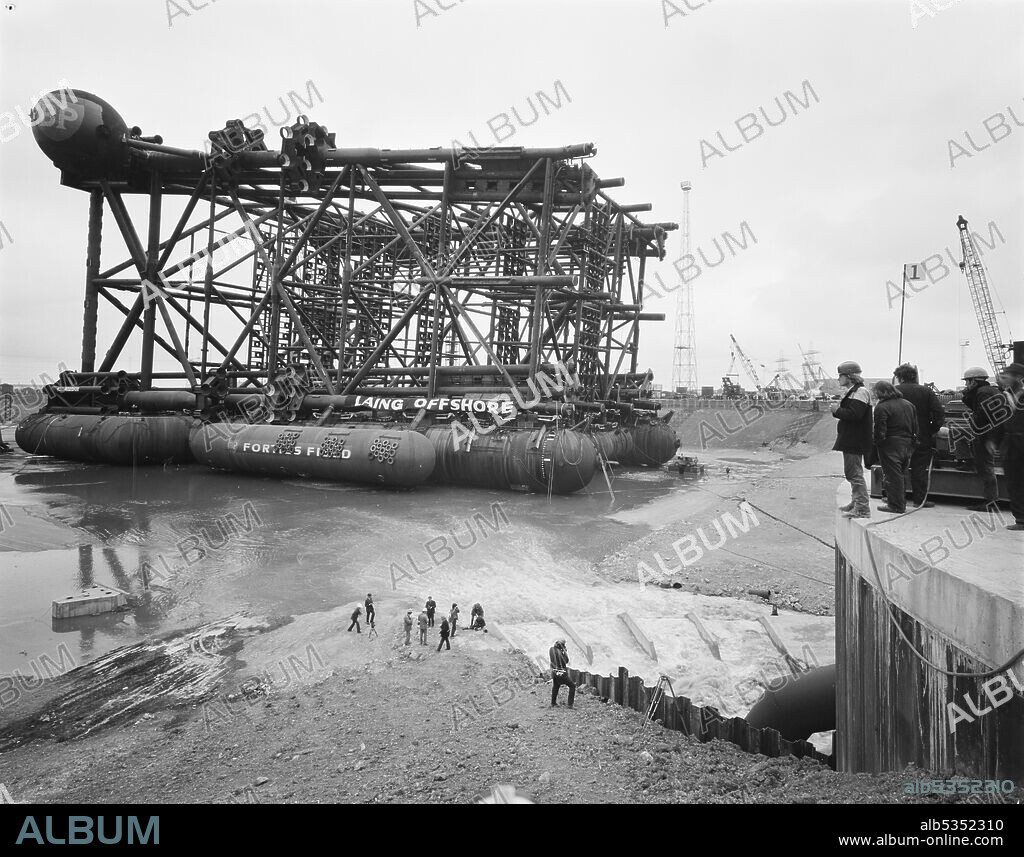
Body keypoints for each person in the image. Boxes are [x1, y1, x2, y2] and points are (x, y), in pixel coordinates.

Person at [893, 363, 944, 508]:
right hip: (922, 436)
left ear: (900, 377)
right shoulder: (926, 391)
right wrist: (931, 429)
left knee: (897, 468)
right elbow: (939, 413)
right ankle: (919, 500)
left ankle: (896, 499)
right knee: (919, 468)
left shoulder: (894, 391)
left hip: (898, 437)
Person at [831, 361, 873, 518]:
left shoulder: (860, 392)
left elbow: (855, 415)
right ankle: (856, 502)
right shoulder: (854, 391)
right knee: (851, 472)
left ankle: (862, 508)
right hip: (852, 438)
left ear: (848, 376)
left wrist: (837, 410)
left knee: (854, 473)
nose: (838, 379)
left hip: (855, 439)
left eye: (840, 375)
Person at [872, 381, 919, 514]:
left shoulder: (882, 406)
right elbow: (916, 426)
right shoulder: (909, 404)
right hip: (907, 443)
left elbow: (880, 430)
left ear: (880, 392)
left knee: (892, 476)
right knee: (901, 474)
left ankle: (896, 505)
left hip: (890, 444)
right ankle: (897, 500)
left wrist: (878, 444)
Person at [961, 367, 1003, 512]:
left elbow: (982, 414)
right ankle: (990, 500)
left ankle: (991, 502)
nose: (966, 385)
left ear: (974, 381)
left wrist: (974, 421)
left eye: (967, 382)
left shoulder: (982, 392)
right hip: (991, 433)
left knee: (986, 467)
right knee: (986, 466)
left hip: (985, 434)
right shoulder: (990, 390)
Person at [1001, 362, 1024, 531]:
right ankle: (1021, 519)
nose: (1005, 378)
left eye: (1008, 375)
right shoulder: (1005, 395)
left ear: (1018, 377)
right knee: (1014, 481)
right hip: (1011, 443)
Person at [548, 638, 575, 708]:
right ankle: (570, 704)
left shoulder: (551, 649)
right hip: (561, 672)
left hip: (554, 672)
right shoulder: (560, 652)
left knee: (556, 686)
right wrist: (565, 652)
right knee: (572, 686)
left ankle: (553, 703)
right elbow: (566, 661)